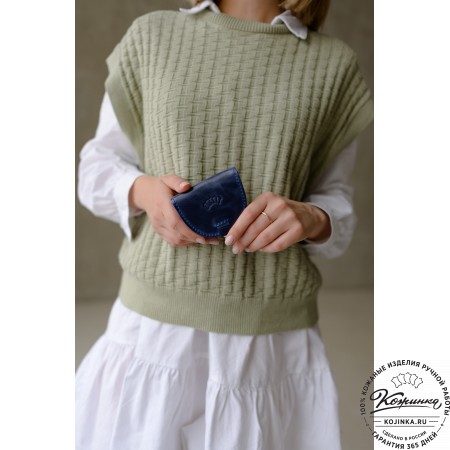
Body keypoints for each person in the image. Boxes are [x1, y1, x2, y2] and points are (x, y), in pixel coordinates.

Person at [76, 0, 374, 449]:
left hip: (270, 343)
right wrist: (143, 192)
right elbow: (96, 169)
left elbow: (338, 206)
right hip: (153, 330)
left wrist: (313, 217)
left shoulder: (333, 65)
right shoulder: (152, 36)